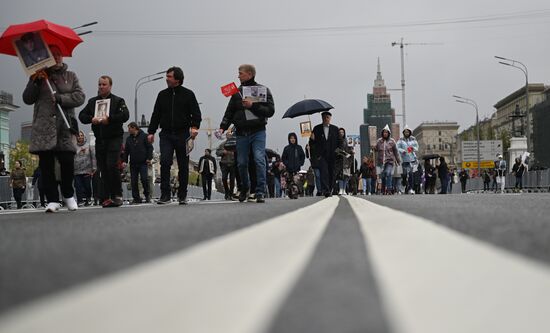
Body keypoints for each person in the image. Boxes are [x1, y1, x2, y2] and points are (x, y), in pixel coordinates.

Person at [23, 45, 85, 213]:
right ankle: (52, 200)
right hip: (44, 127)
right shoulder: (39, 77)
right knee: (46, 165)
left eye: (59, 54)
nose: (57, 57)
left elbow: (80, 97)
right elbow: (27, 98)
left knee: (67, 162)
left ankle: (68, 194)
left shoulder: (70, 76)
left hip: (64, 126)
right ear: (46, 58)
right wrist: (35, 81)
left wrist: (61, 98)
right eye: (53, 55)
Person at [217, 64, 274, 203]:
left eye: (240, 73)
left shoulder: (263, 90)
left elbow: (270, 111)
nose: (238, 76)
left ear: (250, 74)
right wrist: (222, 127)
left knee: (259, 159)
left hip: (258, 131)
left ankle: (259, 191)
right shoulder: (236, 92)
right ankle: (245, 188)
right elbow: (229, 112)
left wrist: (252, 105)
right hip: (241, 133)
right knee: (241, 162)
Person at [148, 67, 202, 205]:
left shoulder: (188, 94)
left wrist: (195, 127)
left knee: (183, 165)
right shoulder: (162, 95)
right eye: (167, 76)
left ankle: (182, 195)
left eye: (169, 76)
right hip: (166, 134)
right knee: (165, 162)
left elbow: (196, 113)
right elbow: (156, 114)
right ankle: (165, 195)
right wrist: (151, 132)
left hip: (183, 134)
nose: (167, 78)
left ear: (177, 79)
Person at [79, 75, 129, 208]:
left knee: (112, 165)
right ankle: (105, 197)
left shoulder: (118, 101)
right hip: (100, 139)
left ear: (110, 86)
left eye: (104, 84)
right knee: (103, 169)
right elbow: (81, 116)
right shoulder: (92, 102)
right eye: (99, 84)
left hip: (114, 138)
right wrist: (92, 119)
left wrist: (110, 119)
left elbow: (125, 115)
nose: (101, 87)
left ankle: (117, 195)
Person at [309, 111, 342, 197]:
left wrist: (338, 151)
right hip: (322, 155)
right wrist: (312, 139)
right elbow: (312, 144)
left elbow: (340, 142)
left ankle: (330, 189)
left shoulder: (335, 129)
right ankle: (326, 190)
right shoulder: (317, 129)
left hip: (332, 155)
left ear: (330, 118)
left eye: (327, 117)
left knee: (331, 172)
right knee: (324, 172)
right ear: (322, 118)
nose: (326, 119)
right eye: (324, 117)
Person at [122, 122, 153, 204]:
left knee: (144, 179)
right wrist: (125, 161)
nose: (128, 130)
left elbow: (150, 148)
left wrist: (149, 158)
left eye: (129, 128)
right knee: (133, 181)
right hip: (133, 163)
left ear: (134, 128)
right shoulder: (128, 139)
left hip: (143, 162)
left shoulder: (144, 136)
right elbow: (126, 152)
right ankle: (136, 198)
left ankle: (147, 196)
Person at [374, 125, 400, 195]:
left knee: (388, 173)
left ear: (389, 133)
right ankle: (383, 189)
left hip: (389, 161)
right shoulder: (379, 141)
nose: (385, 133)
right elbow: (375, 149)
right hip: (381, 161)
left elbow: (396, 152)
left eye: (386, 132)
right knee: (383, 176)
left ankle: (389, 189)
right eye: (384, 132)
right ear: (382, 133)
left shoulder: (392, 141)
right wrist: (373, 148)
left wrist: (398, 160)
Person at [73, 131, 96, 206]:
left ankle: (88, 199)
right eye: (78, 136)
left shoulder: (88, 146)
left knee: (87, 186)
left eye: (81, 135)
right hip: (76, 170)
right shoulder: (73, 147)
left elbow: (93, 157)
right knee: (78, 186)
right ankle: (80, 201)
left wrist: (94, 167)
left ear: (84, 136)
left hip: (87, 170)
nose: (80, 137)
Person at [396, 125, 419, 194]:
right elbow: (397, 147)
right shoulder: (401, 140)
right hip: (404, 160)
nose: (406, 133)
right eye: (405, 132)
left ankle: (411, 189)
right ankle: (403, 184)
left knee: (411, 174)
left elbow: (417, 147)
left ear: (410, 132)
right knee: (404, 174)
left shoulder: (413, 139)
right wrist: (402, 150)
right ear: (403, 133)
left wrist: (413, 149)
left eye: (407, 132)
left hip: (412, 160)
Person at [282, 132, 305, 196]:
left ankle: (298, 192)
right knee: (290, 182)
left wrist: (300, 163)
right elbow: (283, 158)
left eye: (294, 138)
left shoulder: (299, 148)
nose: (293, 139)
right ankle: (290, 193)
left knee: (297, 181)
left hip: (297, 169)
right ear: (289, 139)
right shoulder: (286, 148)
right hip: (289, 169)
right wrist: (287, 164)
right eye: (291, 138)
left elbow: (303, 156)